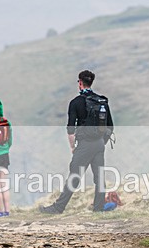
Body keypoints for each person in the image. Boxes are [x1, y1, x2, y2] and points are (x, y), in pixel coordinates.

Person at [40, 70, 114, 214]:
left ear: (80, 82)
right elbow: (110, 126)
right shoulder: (102, 101)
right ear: (91, 82)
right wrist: (101, 143)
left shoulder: (75, 102)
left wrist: (73, 147)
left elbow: (70, 128)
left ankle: (58, 207)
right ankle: (98, 209)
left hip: (85, 145)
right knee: (99, 178)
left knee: (74, 176)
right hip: (99, 144)